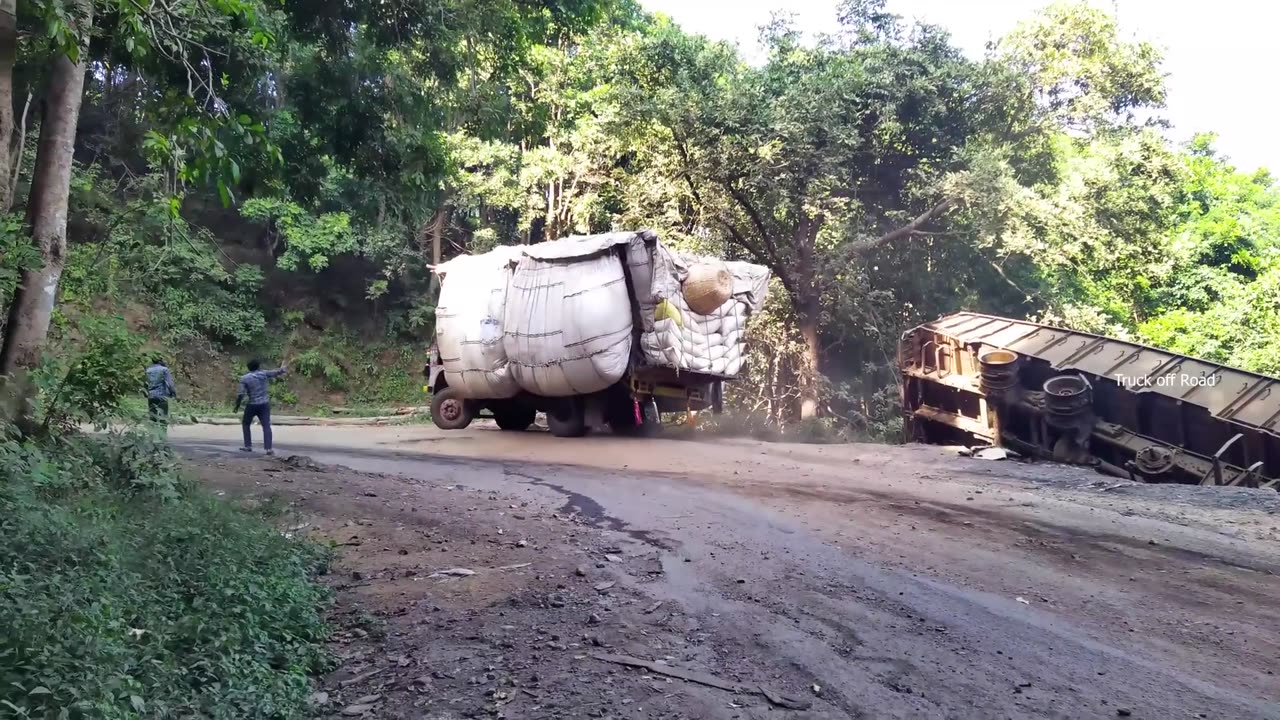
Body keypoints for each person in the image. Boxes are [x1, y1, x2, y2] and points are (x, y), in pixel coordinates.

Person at [235, 359, 287, 455]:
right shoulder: (263, 374)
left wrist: (237, 405)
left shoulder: (244, 378)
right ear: (258, 367)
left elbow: (241, 394)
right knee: (266, 425)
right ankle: (268, 449)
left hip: (252, 404)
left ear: (248, 368)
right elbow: (275, 372)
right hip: (264, 404)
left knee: (246, 424)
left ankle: (248, 446)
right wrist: (283, 369)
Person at [144, 357, 177, 427]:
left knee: (152, 417)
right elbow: (169, 383)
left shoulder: (148, 370)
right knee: (163, 417)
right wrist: (173, 393)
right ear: (160, 361)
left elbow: (146, 383)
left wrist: (146, 393)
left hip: (151, 396)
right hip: (161, 396)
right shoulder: (164, 370)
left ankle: (153, 434)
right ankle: (162, 435)